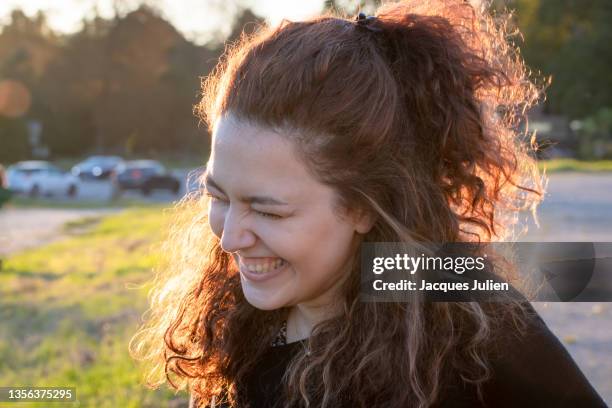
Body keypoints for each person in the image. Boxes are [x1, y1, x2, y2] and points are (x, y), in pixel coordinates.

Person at [130, 1, 607, 407]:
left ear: (364, 206)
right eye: (218, 196)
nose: (231, 237)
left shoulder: (453, 296)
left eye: (270, 211)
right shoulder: (233, 314)